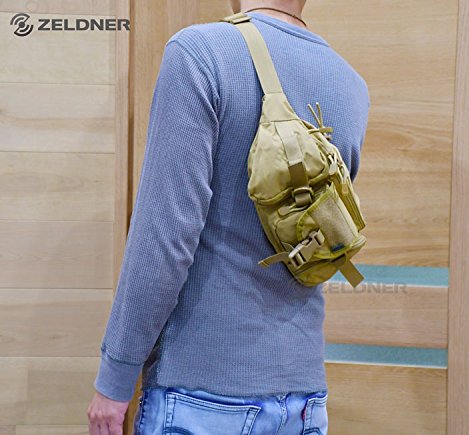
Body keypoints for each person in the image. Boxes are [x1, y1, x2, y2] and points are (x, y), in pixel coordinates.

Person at [87, 0, 370, 433]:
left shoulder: (200, 53)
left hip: (203, 396)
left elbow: (165, 239)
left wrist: (116, 377)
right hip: (304, 401)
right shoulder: (351, 85)